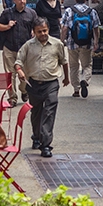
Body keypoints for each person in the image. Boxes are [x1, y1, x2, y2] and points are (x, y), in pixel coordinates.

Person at [14, 17, 69, 158]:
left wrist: (67, 78)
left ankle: (46, 145)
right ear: (34, 32)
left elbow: (64, 62)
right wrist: (19, 71)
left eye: (44, 30)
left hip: (51, 83)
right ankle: (37, 137)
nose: (43, 34)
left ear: (48, 30)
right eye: (39, 32)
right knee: (36, 113)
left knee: (49, 112)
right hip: (33, 84)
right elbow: (18, 61)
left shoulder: (57, 44)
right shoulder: (28, 45)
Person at [0, 0, 38, 107]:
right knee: (10, 74)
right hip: (9, 47)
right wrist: (7, 26)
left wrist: (34, 33)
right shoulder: (7, 13)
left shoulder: (31, 13)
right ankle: (12, 97)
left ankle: (24, 90)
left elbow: (36, 26)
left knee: (26, 74)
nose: (22, 1)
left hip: (25, 49)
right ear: (14, 0)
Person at [61, 0, 100, 98]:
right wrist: (96, 41)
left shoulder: (69, 11)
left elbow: (64, 28)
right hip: (87, 43)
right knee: (87, 65)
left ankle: (76, 89)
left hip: (72, 43)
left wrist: (62, 41)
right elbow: (96, 28)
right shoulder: (91, 11)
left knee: (73, 66)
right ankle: (84, 79)